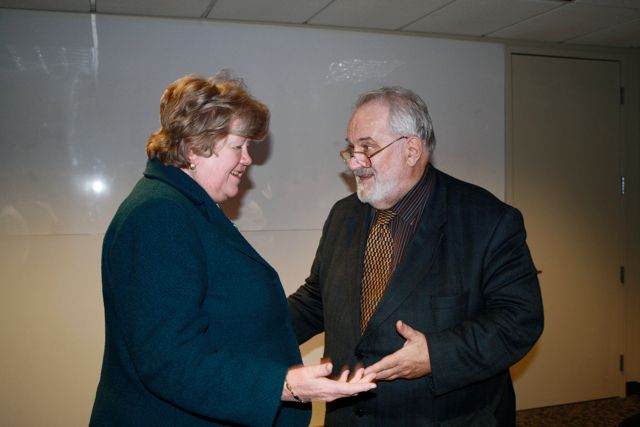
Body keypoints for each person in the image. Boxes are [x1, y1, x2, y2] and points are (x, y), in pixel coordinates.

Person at [89, 71, 376, 427]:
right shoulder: (159, 215)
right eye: (238, 146)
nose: (248, 160)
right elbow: (169, 360)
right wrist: (283, 386)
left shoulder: (187, 206)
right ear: (196, 147)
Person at [288, 86, 544, 426]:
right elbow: (318, 299)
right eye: (351, 149)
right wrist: (245, 332)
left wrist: (437, 356)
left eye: (367, 148)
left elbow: (519, 319)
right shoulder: (343, 215)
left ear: (411, 150)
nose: (354, 162)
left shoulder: (488, 220)